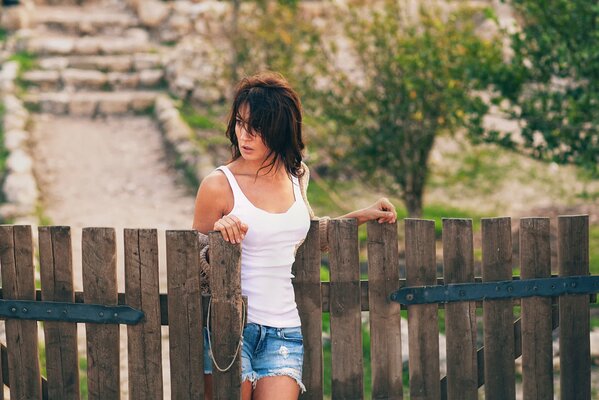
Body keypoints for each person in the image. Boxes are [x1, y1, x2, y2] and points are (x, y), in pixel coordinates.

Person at [192, 71, 397, 400]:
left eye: (257, 127)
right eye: (241, 123)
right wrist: (219, 239)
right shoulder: (217, 185)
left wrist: (360, 216)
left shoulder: (296, 176)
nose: (246, 135)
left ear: (279, 129)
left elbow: (303, 240)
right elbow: (191, 266)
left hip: (284, 331)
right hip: (230, 330)